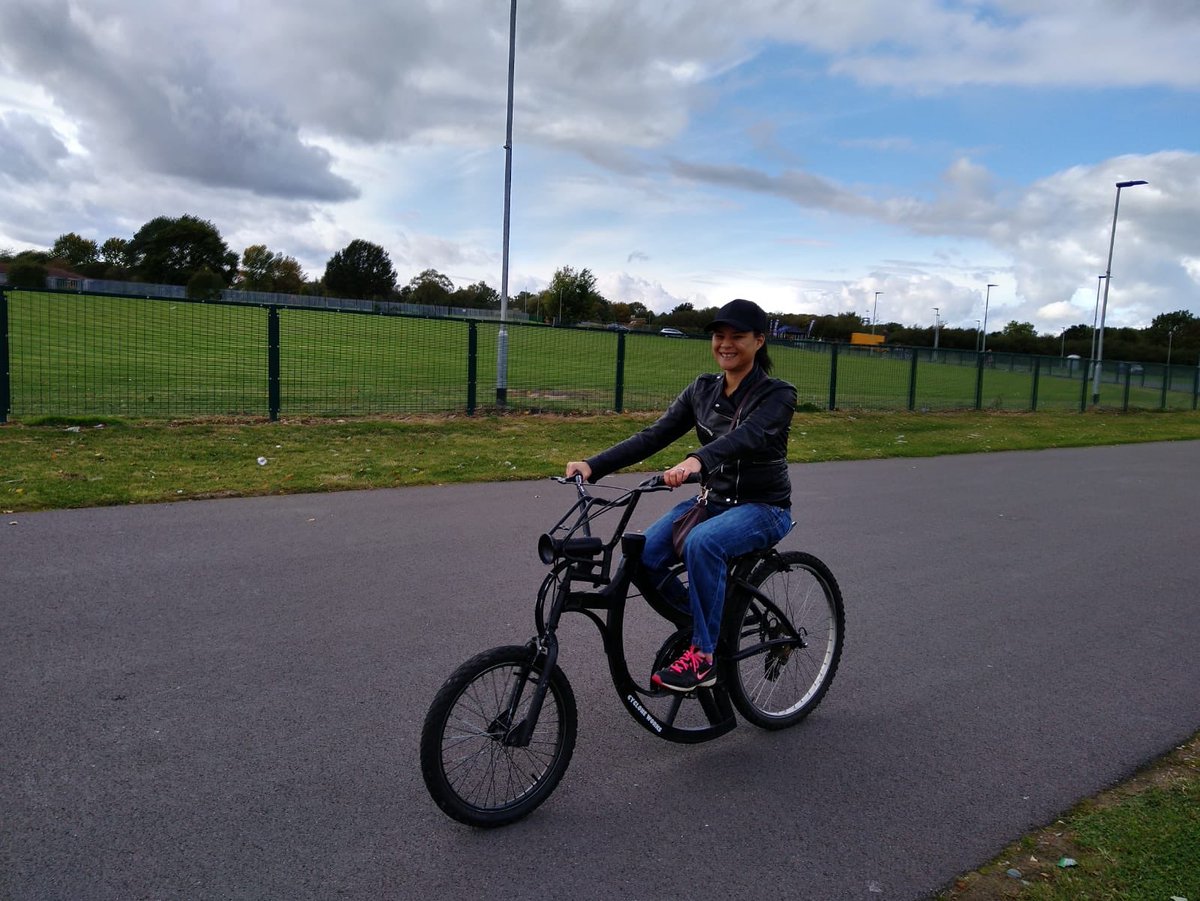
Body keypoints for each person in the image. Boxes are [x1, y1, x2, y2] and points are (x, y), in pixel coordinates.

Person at [565, 298, 796, 692]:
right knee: (637, 555)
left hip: (763, 507)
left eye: (736, 336)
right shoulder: (702, 390)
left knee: (703, 544)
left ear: (759, 341)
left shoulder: (777, 395)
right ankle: (703, 625)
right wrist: (593, 464)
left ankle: (704, 660)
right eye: (718, 336)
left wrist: (696, 460)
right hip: (713, 502)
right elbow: (654, 435)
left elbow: (748, 436)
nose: (725, 344)